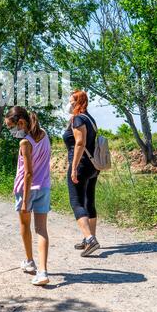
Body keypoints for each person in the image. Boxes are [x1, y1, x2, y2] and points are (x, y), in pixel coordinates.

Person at [4, 106, 51, 286]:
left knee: (25, 225)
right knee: (41, 230)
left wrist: (24, 200)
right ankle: (43, 270)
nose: (11, 131)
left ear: (21, 123)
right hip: (44, 187)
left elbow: (28, 173)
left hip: (27, 190)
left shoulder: (25, 142)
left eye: (11, 127)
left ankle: (30, 262)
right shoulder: (44, 134)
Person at [62, 90, 100, 257]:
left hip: (81, 165)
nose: (69, 104)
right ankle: (89, 238)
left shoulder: (78, 119)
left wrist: (74, 167)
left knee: (76, 202)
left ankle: (90, 239)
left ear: (78, 102)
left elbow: (79, 142)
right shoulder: (90, 118)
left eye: (71, 101)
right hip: (93, 166)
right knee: (89, 201)